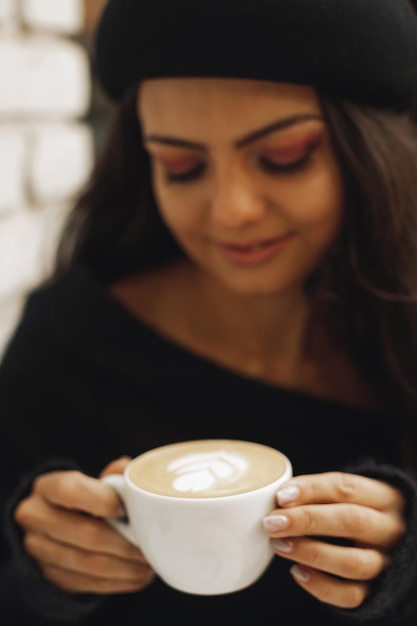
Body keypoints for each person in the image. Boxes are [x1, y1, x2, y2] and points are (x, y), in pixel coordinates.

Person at [2, 0, 417, 623]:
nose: (230, 211)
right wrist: (43, 569)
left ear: (372, 151)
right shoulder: (69, 344)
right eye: (182, 166)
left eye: (283, 157)